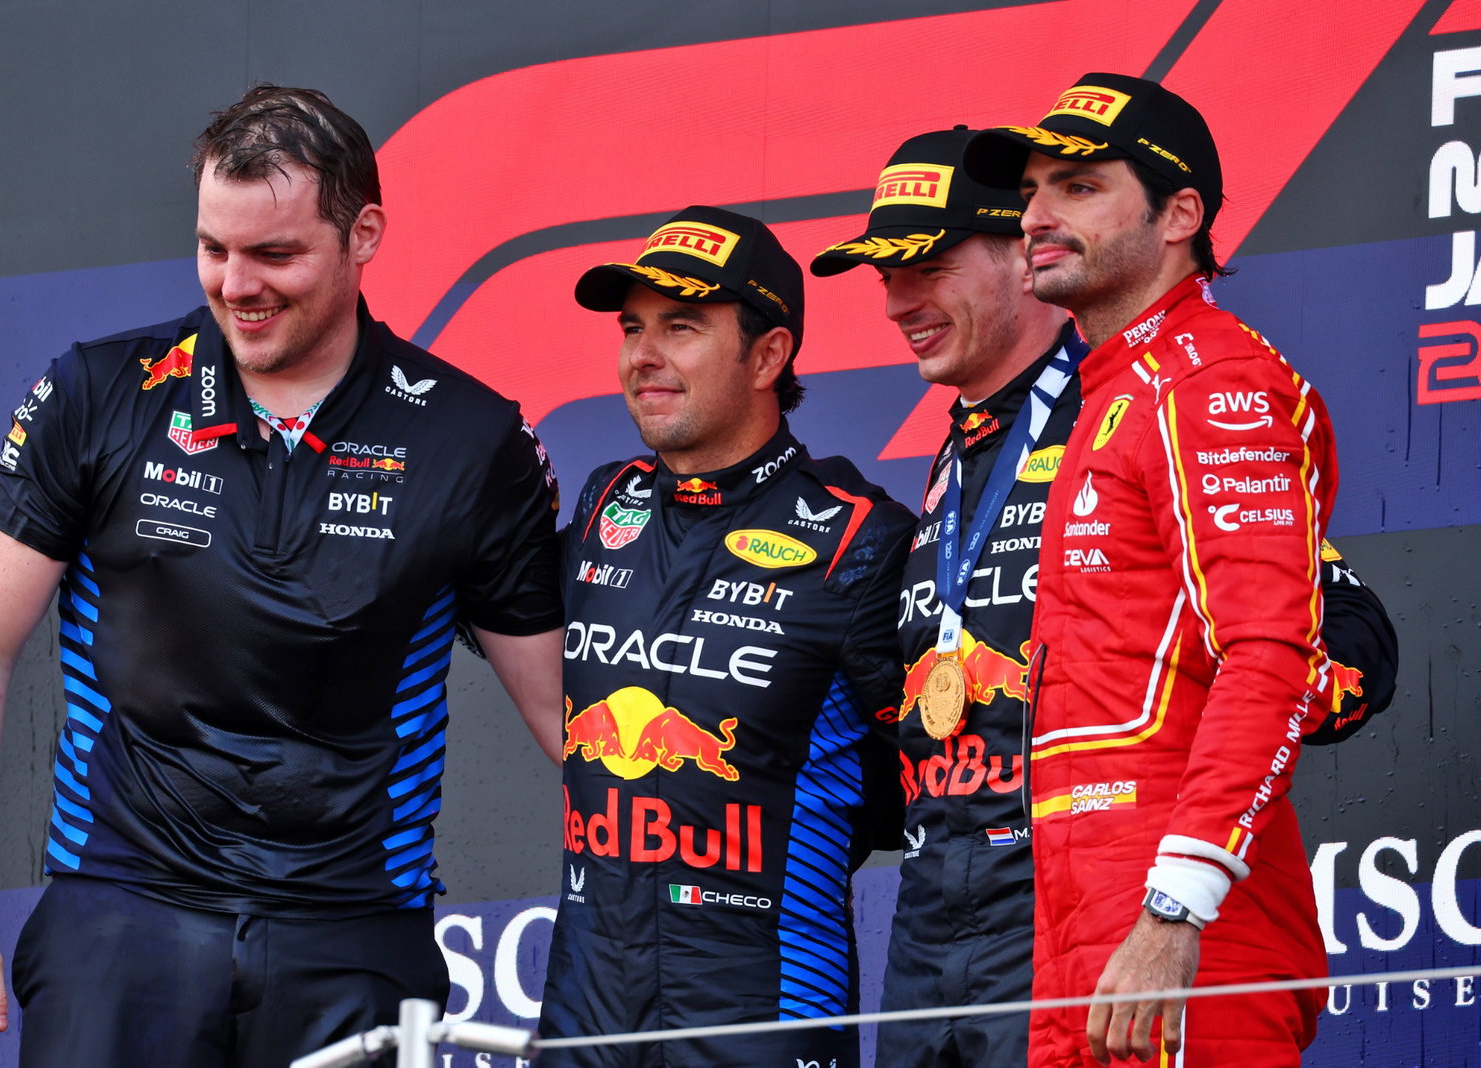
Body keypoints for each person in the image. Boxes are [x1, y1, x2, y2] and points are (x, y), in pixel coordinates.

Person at [0, 85, 565, 1068]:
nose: (237, 283)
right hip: (123, 917)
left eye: (275, 254)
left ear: (364, 235)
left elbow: (569, 719)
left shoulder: (469, 440)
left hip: (353, 932)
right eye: (214, 248)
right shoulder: (97, 395)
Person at [811, 127, 1396, 1066]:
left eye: (928, 263)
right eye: (885, 273)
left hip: (1085, 902)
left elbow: (1330, 639)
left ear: (1020, 251)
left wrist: (1189, 732)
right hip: (942, 928)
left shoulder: (1149, 399)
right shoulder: (943, 473)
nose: (898, 300)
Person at [962, 74, 1351, 1066]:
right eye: (1032, 190)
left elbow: (1271, 651)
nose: (1037, 216)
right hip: (1085, 916)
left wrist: (1176, 908)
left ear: (1179, 215)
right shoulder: (1114, 390)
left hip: (1179, 925)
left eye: (1079, 186)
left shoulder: (1211, 382)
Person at [537, 206, 916, 1066]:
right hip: (587, 1013)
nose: (642, 355)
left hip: (766, 1009)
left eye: (681, 327)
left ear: (769, 355)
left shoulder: (859, 539)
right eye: (633, 328)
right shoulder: (603, 506)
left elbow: (935, 785)